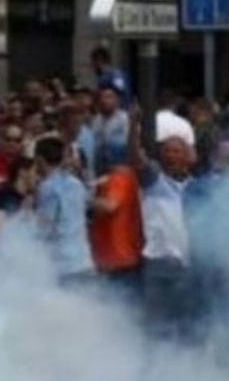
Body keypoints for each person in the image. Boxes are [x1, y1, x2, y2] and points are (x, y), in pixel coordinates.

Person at [128, 105, 196, 342]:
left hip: (187, 266)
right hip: (159, 265)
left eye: (177, 151)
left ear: (187, 156)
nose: (171, 155)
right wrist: (133, 128)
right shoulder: (154, 181)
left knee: (185, 328)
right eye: (166, 151)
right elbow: (137, 158)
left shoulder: (196, 187)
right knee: (156, 329)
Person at [34, 137, 95, 284]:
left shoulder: (47, 188)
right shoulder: (77, 184)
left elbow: (45, 228)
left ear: (40, 160)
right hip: (84, 261)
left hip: (63, 266)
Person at [89, 146, 144, 301]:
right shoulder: (131, 178)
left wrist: (84, 199)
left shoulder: (119, 177)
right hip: (123, 256)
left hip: (117, 258)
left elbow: (110, 205)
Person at [91, 81, 129, 170]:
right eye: (102, 97)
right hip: (99, 166)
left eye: (109, 97)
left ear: (117, 100)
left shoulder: (124, 119)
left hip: (120, 166)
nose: (104, 101)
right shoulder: (96, 120)